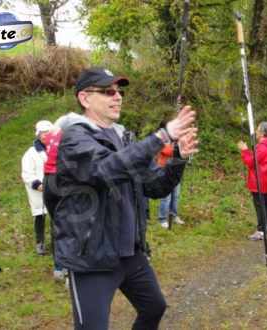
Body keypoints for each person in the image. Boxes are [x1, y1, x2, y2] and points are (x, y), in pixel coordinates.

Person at [54, 67, 198, 330]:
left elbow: (155, 186)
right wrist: (162, 136)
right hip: (92, 258)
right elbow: (106, 169)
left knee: (154, 308)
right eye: (108, 91)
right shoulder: (74, 139)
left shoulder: (124, 137)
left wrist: (177, 157)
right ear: (85, 99)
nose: (117, 96)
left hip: (129, 253)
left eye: (119, 92)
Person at [42, 113, 79, 280]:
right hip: (62, 179)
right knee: (72, 225)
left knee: (56, 224)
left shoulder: (51, 135)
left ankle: (58, 267)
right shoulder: (72, 135)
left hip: (48, 179)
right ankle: (70, 271)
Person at [238, 122, 267, 241]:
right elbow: (258, 159)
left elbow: (251, 162)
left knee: (260, 205)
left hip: (259, 179)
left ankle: (261, 230)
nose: (255, 132)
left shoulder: (262, 146)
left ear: (262, 132)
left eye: (257, 130)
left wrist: (244, 150)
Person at [21, 120, 53, 255]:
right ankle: (40, 242)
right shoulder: (31, 153)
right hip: (38, 191)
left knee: (57, 216)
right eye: (43, 134)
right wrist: (38, 185)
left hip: (55, 188)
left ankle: (58, 242)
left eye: (48, 133)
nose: (46, 136)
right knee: (40, 216)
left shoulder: (57, 149)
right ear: (38, 135)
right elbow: (27, 173)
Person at [156, 144, 185, 229]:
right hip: (164, 170)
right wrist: (178, 150)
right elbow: (166, 151)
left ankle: (174, 216)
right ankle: (162, 219)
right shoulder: (166, 137)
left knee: (176, 195)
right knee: (166, 197)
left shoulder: (179, 140)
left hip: (175, 172)